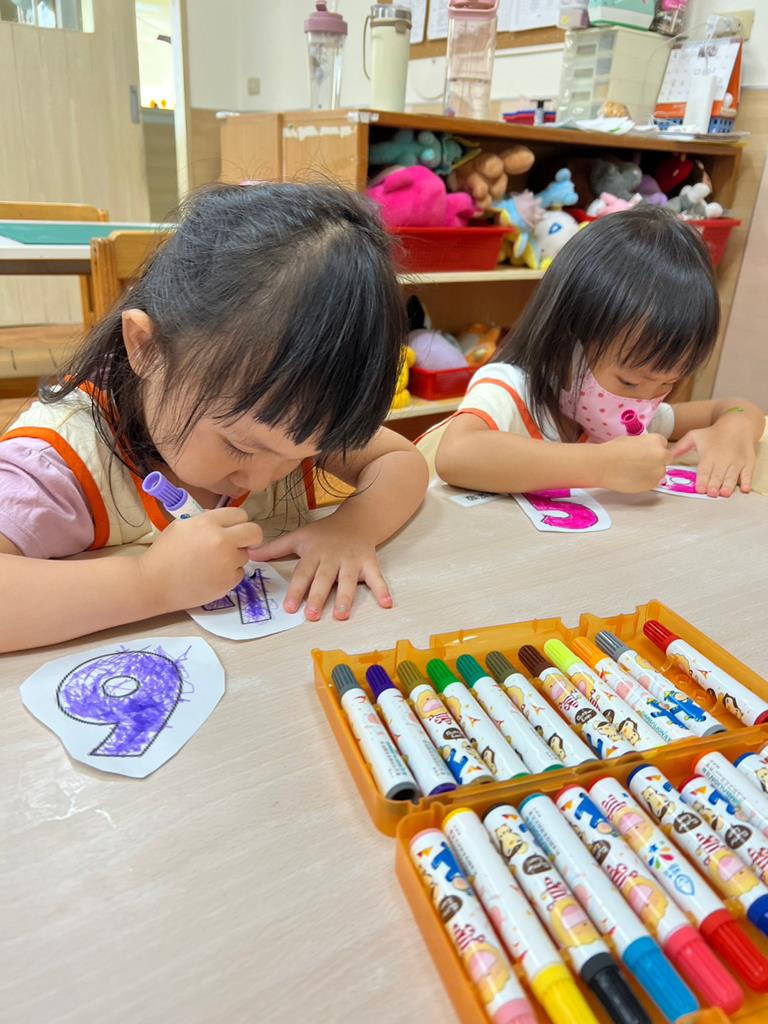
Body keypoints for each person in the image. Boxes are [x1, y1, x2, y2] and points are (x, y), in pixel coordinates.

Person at [0, 183, 428, 651]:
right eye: (240, 446)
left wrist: (352, 528)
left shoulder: (286, 426)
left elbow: (400, 460)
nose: (263, 479)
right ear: (146, 348)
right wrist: (149, 584)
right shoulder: (59, 461)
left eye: (303, 454)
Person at [423, 207, 763, 499]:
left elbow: (737, 407)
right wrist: (601, 466)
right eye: (629, 382)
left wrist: (734, 427)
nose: (645, 402)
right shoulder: (510, 389)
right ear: (566, 344)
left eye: (666, 384)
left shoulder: (630, 410)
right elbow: (456, 456)